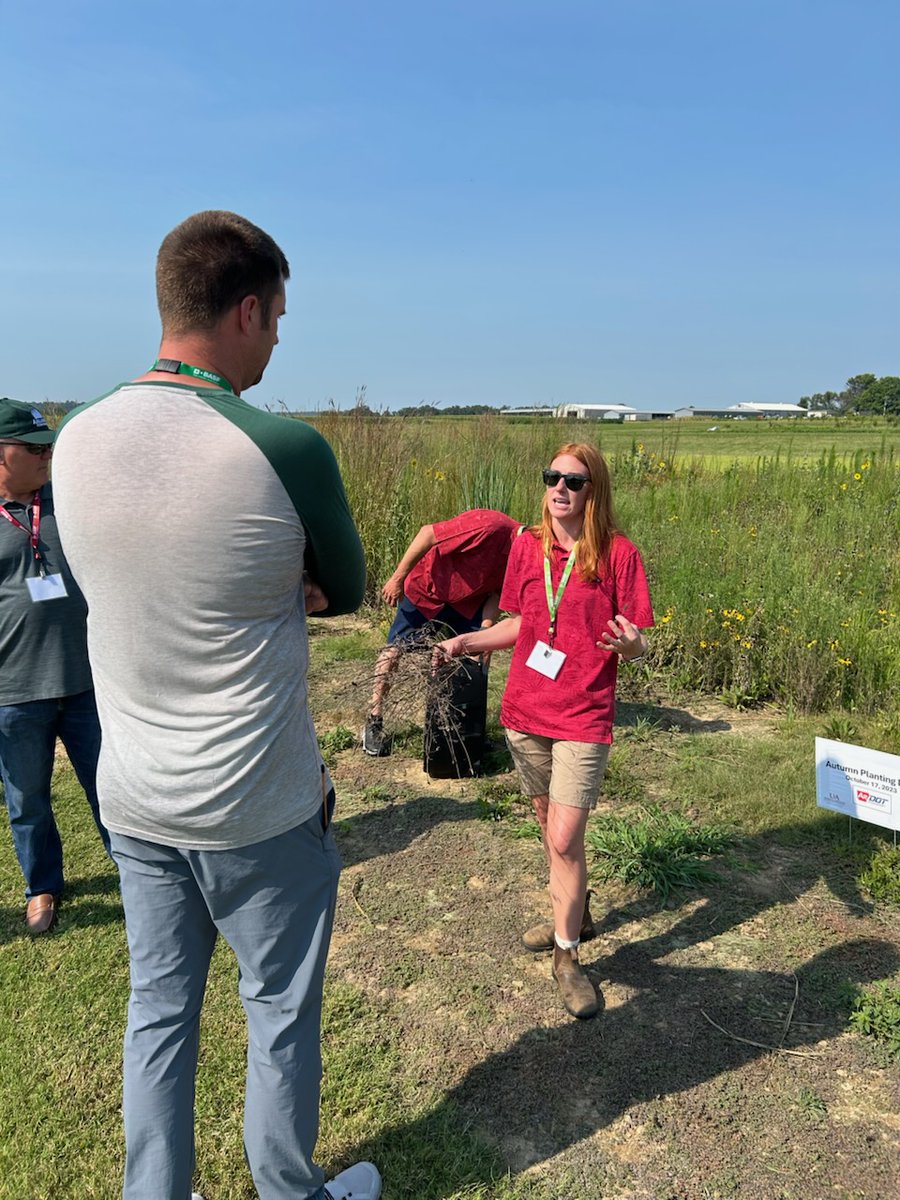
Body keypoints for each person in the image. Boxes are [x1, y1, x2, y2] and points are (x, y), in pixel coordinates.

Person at [51, 212, 380, 1200]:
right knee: (278, 1009)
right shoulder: (282, 445)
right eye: (277, 320)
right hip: (256, 802)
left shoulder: (73, 442)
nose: (277, 339)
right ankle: (288, 1190)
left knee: (158, 1010)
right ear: (246, 311)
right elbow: (351, 587)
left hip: (136, 795)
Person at [435, 443, 654, 1019]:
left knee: (563, 838)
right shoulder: (526, 547)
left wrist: (632, 646)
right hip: (526, 714)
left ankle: (567, 956)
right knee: (549, 828)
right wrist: (465, 641)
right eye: (552, 477)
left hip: (583, 717)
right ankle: (576, 910)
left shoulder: (618, 554)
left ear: (594, 491)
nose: (560, 488)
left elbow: (638, 641)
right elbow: (522, 625)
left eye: (574, 482)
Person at [0, 396, 110, 934]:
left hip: (87, 679)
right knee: (27, 798)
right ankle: (42, 885)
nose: (47, 455)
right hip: (14, 689)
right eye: (33, 447)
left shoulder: (70, 501)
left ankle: (139, 870)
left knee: (108, 784)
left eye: (50, 445)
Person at [363, 508, 521, 756]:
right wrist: (397, 578)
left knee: (476, 658)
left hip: (467, 602)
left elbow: (497, 594)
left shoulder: (523, 559)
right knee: (394, 650)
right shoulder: (491, 526)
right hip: (428, 588)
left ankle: (467, 730)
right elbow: (428, 534)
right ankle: (374, 718)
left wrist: (485, 631)